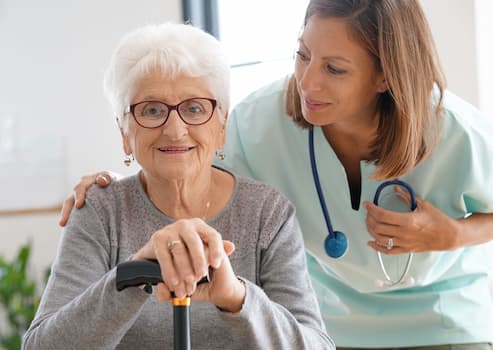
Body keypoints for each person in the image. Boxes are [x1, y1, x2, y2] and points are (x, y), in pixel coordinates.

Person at [59, 1, 493, 349]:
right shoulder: (261, 119)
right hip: (338, 325)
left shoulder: (457, 132)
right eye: (303, 55)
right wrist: (118, 184)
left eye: (334, 69)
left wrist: (454, 234)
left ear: (384, 75)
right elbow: (185, 157)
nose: (307, 82)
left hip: (443, 321)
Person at [22, 23, 334, 350]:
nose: (175, 130)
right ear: (124, 133)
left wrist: (236, 297)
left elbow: (317, 345)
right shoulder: (100, 211)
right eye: (152, 110)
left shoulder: (267, 213)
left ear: (221, 125)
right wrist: (134, 274)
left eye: (194, 108)